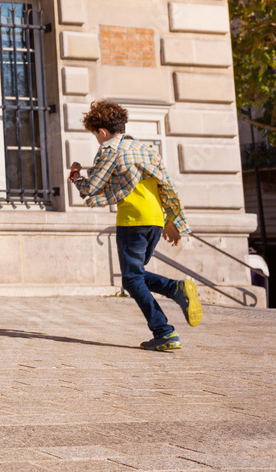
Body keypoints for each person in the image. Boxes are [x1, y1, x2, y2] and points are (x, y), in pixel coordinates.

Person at [69, 100, 202, 351]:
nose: (97, 140)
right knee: (136, 275)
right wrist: (171, 220)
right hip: (154, 219)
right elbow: (167, 184)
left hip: (133, 221)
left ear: (102, 131)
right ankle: (176, 290)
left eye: (96, 135)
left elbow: (92, 187)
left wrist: (76, 177)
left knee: (131, 279)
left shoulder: (110, 149)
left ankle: (164, 331)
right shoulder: (146, 149)